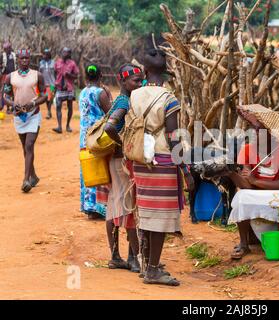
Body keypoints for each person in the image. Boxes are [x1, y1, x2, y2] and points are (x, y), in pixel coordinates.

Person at [129, 47, 194, 286]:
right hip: (163, 160)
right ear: (166, 72)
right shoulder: (169, 98)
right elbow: (174, 135)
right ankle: (154, 270)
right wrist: (185, 170)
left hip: (141, 159)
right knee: (161, 218)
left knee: (146, 213)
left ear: (144, 70)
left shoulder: (134, 95)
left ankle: (146, 265)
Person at [225, 114, 279, 260]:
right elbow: (246, 186)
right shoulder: (246, 150)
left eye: (262, 131)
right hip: (257, 192)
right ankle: (244, 244)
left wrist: (254, 180)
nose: (257, 135)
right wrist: (230, 172)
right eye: (255, 131)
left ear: (273, 135)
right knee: (241, 197)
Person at [103, 63, 144, 272]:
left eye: (141, 80)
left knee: (115, 205)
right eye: (136, 81)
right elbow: (110, 126)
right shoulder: (124, 102)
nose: (140, 84)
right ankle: (133, 258)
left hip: (116, 161)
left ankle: (117, 256)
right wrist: (122, 145)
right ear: (123, 81)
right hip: (121, 162)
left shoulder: (123, 99)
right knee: (127, 207)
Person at [3, 49, 47, 192]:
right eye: (22, 58)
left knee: (29, 146)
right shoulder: (10, 77)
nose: (24, 61)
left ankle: (26, 180)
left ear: (30, 59)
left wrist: (33, 103)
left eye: (27, 58)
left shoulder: (37, 75)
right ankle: (33, 175)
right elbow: (6, 96)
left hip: (33, 115)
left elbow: (45, 95)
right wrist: (12, 104)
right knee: (25, 148)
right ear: (18, 60)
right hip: (19, 117)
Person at [78, 64, 112, 219]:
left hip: (84, 137)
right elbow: (111, 114)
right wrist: (109, 95)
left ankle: (89, 206)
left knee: (87, 169)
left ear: (86, 77)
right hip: (98, 137)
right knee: (101, 169)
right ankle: (100, 206)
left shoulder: (83, 92)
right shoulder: (101, 93)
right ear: (101, 77)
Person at [54, 47, 79, 133]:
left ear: (69, 54)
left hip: (69, 88)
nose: (64, 53)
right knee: (58, 106)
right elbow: (55, 73)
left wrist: (70, 75)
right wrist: (55, 83)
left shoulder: (72, 63)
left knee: (70, 107)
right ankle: (59, 126)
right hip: (59, 87)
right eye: (63, 51)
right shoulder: (57, 62)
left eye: (66, 52)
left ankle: (68, 125)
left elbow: (76, 76)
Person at [39, 48, 56, 119]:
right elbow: (39, 72)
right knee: (46, 98)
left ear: (49, 55)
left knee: (50, 97)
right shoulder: (41, 63)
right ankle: (49, 111)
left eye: (46, 54)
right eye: (44, 54)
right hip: (44, 83)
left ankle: (49, 112)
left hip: (52, 83)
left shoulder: (53, 62)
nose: (44, 55)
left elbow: (56, 73)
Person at [2, 42, 17, 114]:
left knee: (14, 92)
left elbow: (16, 64)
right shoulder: (3, 55)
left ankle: (13, 107)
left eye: (8, 48)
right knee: (7, 91)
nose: (7, 49)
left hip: (14, 75)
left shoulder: (13, 55)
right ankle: (8, 108)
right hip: (6, 76)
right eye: (6, 49)